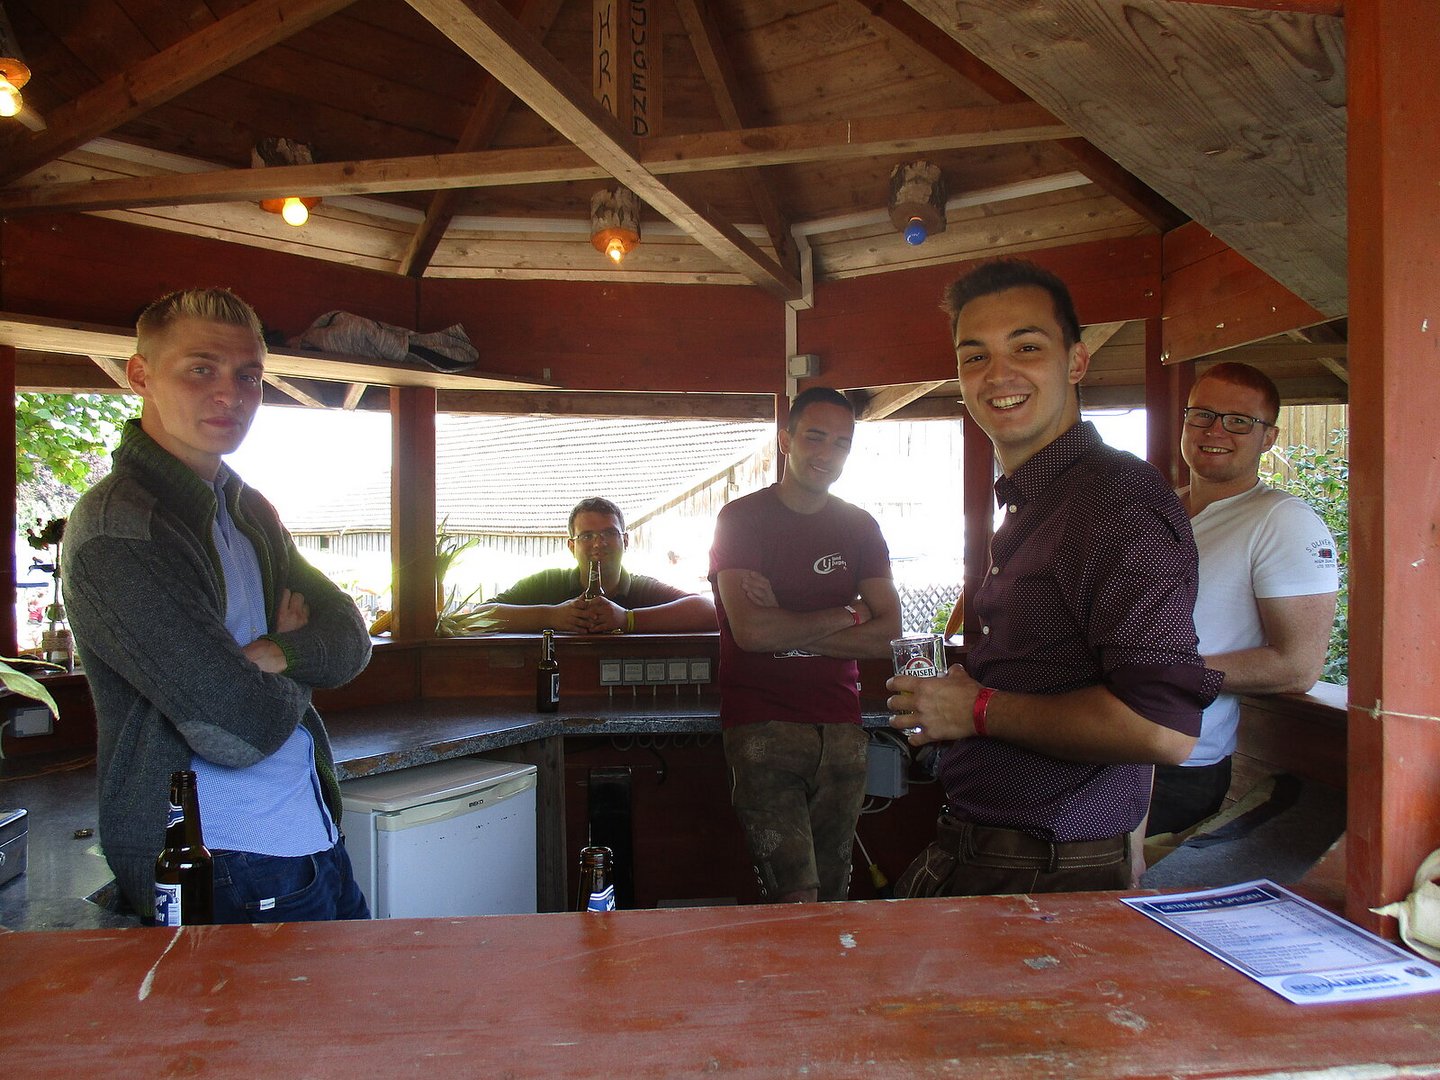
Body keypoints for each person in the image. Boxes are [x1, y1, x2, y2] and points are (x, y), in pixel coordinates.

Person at [886, 259, 1221, 897]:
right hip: (997, 853)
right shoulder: (1038, 502)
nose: (998, 374)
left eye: (1027, 347)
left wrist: (975, 709)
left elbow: (1162, 729)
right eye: (975, 356)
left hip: (1046, 874)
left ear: (1076, 361)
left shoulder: (1115, 499)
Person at [64, 287, 373, 923]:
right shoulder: (120, 531)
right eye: (201, 369)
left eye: (248, 376)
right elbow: (235, 728)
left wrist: (274, 653)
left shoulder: (247, 507)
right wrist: (290, 665)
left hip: (311, 829)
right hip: (219, 857)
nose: (231, 395)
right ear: (141, 375)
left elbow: (350, 638)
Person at [710, 386, 901, 903]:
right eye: (815, 437)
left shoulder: (860, 526)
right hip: (762, 724)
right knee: (794, 896)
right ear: (786, 440)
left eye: (841, 443)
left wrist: (788, 623)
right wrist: (848, 614)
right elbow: (753, 633)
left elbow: (888, 633)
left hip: (842, 727)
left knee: (832, 896)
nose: (827, 453)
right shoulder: (741, 520)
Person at [1146, 362, 1338, 836]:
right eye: (1202, 415)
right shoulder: (1162, 510)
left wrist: (1162, 674)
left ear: (1268, 437)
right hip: (1107, 741)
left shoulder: (1282, 521)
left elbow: (1297, 667)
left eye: (1238, 421)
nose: (1215, 431)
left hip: (1177, 764)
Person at [480, 496, 716, 633]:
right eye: (586, 536)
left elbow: (709, 611)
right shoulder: (548, 582)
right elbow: (477, 616)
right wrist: (551, 616)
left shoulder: (642, 588)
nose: (598, 543)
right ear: (571, 546)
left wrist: (627, 619)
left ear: (625, 541)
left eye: (609, 534)